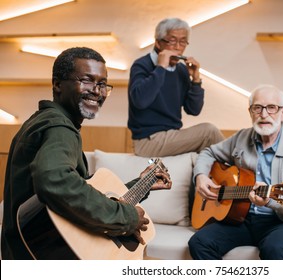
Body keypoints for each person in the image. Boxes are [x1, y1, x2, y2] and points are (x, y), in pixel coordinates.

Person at [1, 47, 172, 260]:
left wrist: (141, 184)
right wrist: (125, 217)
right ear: (57, 84)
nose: (97, 91)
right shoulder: (60, 129)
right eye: (87, 81)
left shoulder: (45, 122)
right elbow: (55, 180)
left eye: (102, 84)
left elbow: (81, 195)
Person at [188, 85, 283, 260]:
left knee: (275, 248)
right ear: (250, 112)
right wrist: (201, 176)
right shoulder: (242, 138)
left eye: (271, 107)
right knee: (199, 242)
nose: (264, 115)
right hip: (241, 219)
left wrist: (270, 201)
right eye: (257, 108)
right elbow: (208, 153)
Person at [127, 17, 224, 157]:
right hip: (147, 140)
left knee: (207, 155)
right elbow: (140, 101)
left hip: (172, 136)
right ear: (158, 43)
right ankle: (242, 171)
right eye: (172, 41)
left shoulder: (181, 70)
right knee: (209, 132)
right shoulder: (142, 65)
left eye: (183, 42)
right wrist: (161, 68)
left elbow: (194, 110)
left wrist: (195, 80)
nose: (178, 47)